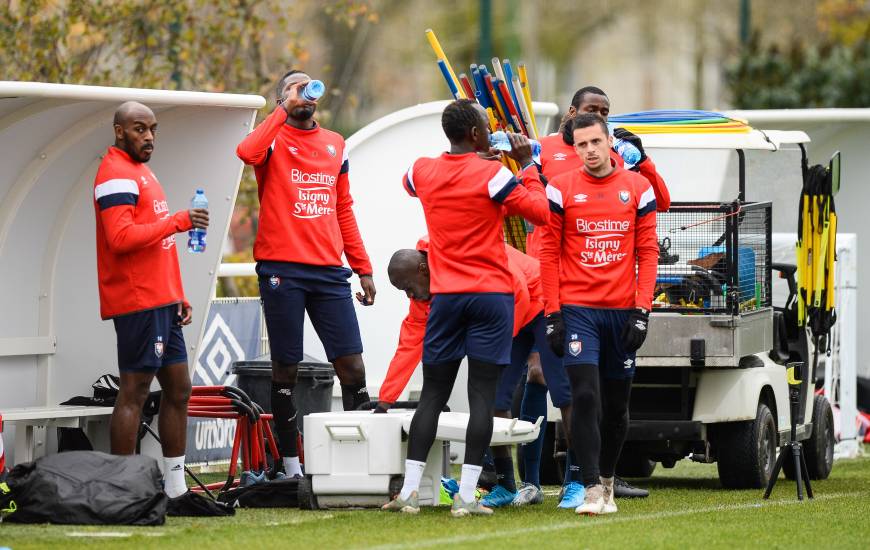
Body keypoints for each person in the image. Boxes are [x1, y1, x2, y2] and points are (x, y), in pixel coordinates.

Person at [382, 99, 548, 517]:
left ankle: (408, 495)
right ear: (477, 135)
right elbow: (540, 213)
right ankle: (466, 498)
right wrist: (525, 163)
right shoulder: (493, 174)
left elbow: (407, 183)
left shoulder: (422, 169)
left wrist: (471, 160)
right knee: (482, 397)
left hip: (447, 296)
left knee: (433, 395)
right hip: (491, 296)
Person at [236, 70, 376, 478]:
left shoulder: (335, 144)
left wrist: (362, 266)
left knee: (353, 369)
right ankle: (290, 465)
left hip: (330, 272)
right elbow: (246, 152)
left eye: (311, 87)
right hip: (282, 269)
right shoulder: (272, 137)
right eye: (294, 88)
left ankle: (358, 466)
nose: (306, 94)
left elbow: (343, 208)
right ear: (282, 98)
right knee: (286, 369)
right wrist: (283, 109)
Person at [376, 237, 572, 509]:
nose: (409, 295)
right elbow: (409, 343)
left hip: (535, 297)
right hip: (503, 306)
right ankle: (506, 484)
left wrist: (492, 345)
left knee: (559, 388)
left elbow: (517, 290)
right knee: (496, 400)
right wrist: (385, 399)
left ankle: (579, 480)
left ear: (422, 269)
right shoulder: (427, 290)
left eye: (408, 288)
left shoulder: (456, 250)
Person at [539, 113, 658, 516]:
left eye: (595, 142)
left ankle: (608, 479)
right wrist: (553, 314)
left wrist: (642, 310)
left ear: (609, 142)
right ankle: (590, 487)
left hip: (622, 312)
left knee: (617, 406)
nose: (589, 150)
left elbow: (648, 252)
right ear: (573, 148)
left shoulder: (637, 189)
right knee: (584, 396)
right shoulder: (559, 188)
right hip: (579, 312)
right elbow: (548, 254)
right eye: (581, 145)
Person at [93, 101, 209, 499]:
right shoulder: (114, 173)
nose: (149, 137)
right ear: (119, 131)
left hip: (162, 300)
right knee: (135, 391)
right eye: (140, 129)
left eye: (153, 129)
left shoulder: (142, 171)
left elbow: (158, 245)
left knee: (179, 389)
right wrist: (178, 221)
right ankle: (121, 490)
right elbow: (121, 239)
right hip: (137, 300)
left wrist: (176, 293)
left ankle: (175, 489)